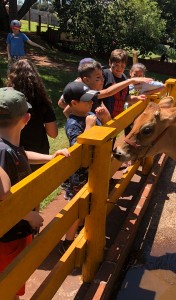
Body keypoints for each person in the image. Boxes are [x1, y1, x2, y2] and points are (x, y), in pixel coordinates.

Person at [0, 87, 70, 299]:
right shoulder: (1, 150)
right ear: (27, 118)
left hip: (17, 230)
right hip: (9, 236)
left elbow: (21, 155)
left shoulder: (9, 146)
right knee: (9, 283)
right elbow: (2, 193)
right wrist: (28, 215)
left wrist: (49, 158)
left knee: (15, 279)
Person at [59, 81, 104, 253]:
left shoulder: (89, 114)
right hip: (79, 174)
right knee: (77, 206)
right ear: (74, 104)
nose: (91, 102)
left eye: (92, 99)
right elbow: (78, 149)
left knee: (87, 202)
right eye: (87, 100)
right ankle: (67, 242)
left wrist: (105, 119)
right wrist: (89, 127)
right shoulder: (73, 124)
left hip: (92, 169)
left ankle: (82, 227)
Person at [7, 58, 58, 172]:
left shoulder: (8, 101)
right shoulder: (42, 100)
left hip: (13, 154)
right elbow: (53, 133)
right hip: (39, 155)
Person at [58, 58, 153, 119]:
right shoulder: (85, 93)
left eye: (102, 76)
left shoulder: (90, 93)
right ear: (85, 79)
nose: (103, 80)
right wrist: (130, 81)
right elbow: (107, 92)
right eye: (98, 77)